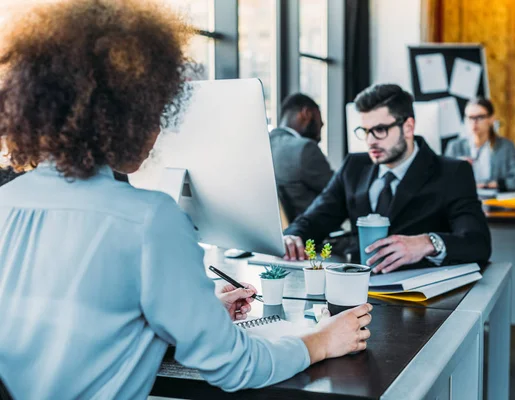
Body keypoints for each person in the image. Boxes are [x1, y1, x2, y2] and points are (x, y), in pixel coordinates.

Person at [0, 1, 372, 398]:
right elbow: (235, 366)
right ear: (123, 116)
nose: (159, 131)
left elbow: (70, 328)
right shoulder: (148, 219)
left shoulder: (7, 201)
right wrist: (321, 341)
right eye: (155, 113)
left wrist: (192, 312)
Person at [283, 84, 491, 274]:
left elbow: (478, 242)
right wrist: (292, 237)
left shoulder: (452, 172)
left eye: (380, 130)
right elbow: (314, 220)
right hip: (359, 290)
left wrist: (428, 243)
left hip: (423, 298)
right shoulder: (354, 167)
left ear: (408, 127)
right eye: (365, 131)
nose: (370, 141)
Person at [270, 93, 333, 222]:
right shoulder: (305, 149)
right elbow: (339, 190)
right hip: (311, 235)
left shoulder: (264, 144)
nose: (319, 136)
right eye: (320, 124)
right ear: (307, 113)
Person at [445, 97, 515, 191]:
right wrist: (458, 168)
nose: (474, 123)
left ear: (491, 119)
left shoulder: (506, 147)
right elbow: (444, 182)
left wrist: (493, 185)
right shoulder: (455, 147)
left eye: (479, 117)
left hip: (495, 201)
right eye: (470, 118)